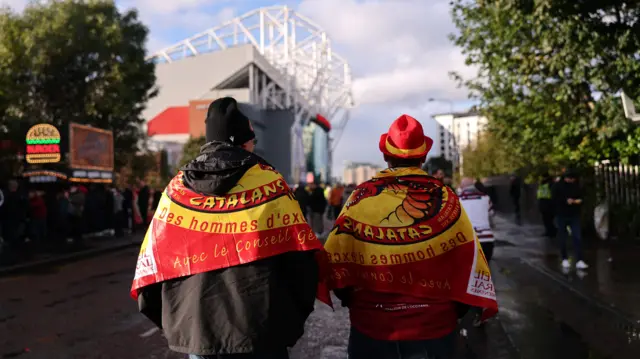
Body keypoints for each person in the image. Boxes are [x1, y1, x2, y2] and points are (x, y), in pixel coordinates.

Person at [131, 97, 323, 359]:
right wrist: (288, 325)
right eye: (252, 141)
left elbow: (150, 272)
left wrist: (180, 327)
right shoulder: (272, 185)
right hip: (260, 334)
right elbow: (302, 265)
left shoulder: (175, 191)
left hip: (199, 337)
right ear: (245, 142)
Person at [319, 115, 498, 359]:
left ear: (385, 156)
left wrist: (357, 302)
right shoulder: (446, 198)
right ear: (423, 157)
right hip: (435, 329)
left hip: (372, 327)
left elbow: (334, 259)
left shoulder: (361, 197)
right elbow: (468, 260)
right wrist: (449, 311)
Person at [552, 169, 588, 269]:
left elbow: (582, 197)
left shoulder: (577, 186)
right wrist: (565, 201)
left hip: (574, 214)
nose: (570, 180)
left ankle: (579, 259)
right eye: (569, 178)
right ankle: (564, 258)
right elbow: (554, 198)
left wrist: (578, 201)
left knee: (577, 237)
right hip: (562, 214)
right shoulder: (558, 186)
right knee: (563, 237)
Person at [459, 178, 495, 263]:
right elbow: (492, 214)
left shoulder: (457, 200)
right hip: (486, 240)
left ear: (462, 187)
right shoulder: (486, 198)